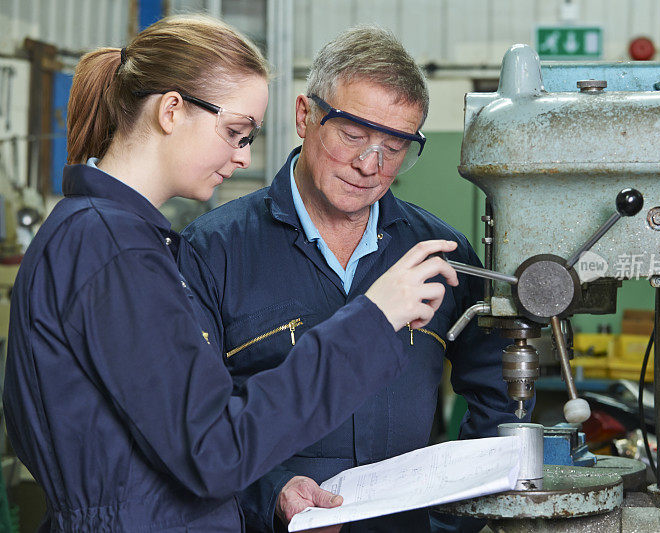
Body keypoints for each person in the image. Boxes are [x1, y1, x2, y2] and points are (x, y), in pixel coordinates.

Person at [2, 15, 460, 532]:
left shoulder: (113, 237)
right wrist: (375, 319)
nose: (244, 157)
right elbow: (215, 450)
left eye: (395, 147)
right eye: (235, 132)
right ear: (172, 110)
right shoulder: (113, 248)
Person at [179, 25, 528, 532]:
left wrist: (455, 516)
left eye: (395, 145)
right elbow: (192, 422)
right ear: (305, 116)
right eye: (353, 135)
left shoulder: (437, 255)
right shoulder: (213, 252)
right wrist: (271, 491)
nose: (371, 165)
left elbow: (501, 389)